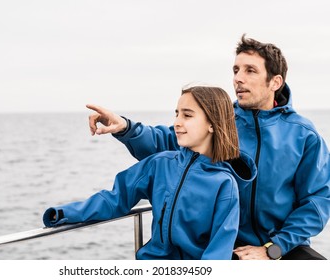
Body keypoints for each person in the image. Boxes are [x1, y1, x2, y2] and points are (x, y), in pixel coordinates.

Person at [86, 35, 330, 260]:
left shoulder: (303, 135)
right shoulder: (222, 121)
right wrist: (125, 127)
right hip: (222, 245)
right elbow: (167, 141)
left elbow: (318, 201)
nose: (238, 78)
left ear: (275, 81)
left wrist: (272, 249)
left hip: (280, 247)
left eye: (250, 70)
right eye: (236, 70)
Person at [43, 86, 257, 260]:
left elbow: (217, 253)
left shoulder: (224, 184)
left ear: (212, 124)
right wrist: (64, 214)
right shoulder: (159, 164)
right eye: (177, 113)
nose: (177, 122)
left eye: (188, 115)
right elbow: (115, 199)